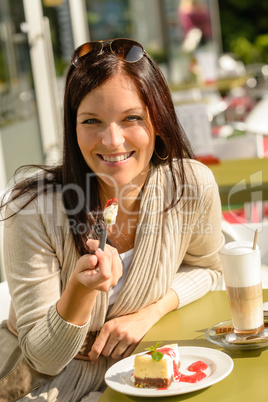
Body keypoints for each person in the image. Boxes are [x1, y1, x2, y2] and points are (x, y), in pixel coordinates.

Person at [0, 38, 224, 401]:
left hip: (145, 380)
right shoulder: (31, 209)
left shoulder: (190, 186)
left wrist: (149, 312)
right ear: (72, 128)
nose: (112, 140)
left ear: (159, 121)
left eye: (132, 118)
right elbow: (43, 358)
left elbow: (209, 269)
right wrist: (80, 292)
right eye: (92, 121)